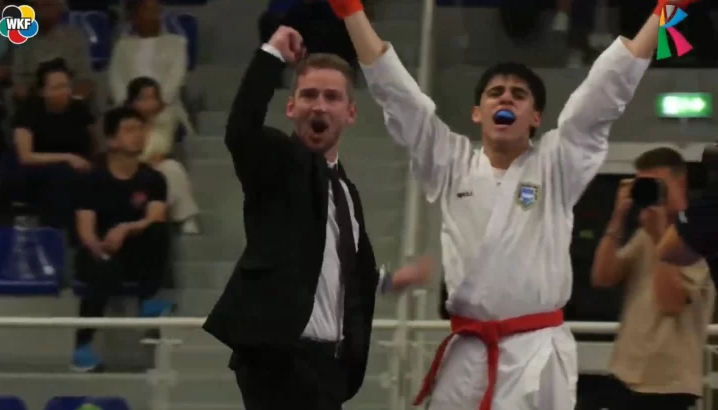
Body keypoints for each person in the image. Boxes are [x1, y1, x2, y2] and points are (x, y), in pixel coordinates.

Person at [327, 0, 693, 408]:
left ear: (535, 118)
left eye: (519, 95)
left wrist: (664, 14)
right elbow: (400, 97)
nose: (506, 99)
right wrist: (352, 13)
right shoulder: (450, 161)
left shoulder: (556, 165)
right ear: (477, 113)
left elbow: (604, 95)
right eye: (495, 93)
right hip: (467, 355)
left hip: (534, 357)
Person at [202, 26, 433, 410]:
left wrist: (391, 281)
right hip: (279, 362)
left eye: (332, 97)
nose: (320, 106)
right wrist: (272, 53)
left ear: (351, 112)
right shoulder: (276, 162)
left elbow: (337, 265)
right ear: (291, 107)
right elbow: (241, 130)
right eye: (309, 95)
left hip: (331, 367)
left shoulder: (346, 192)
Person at [591, 148, 714, 410]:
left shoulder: (697, 235)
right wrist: (618, 216)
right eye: (642, 185)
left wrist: (660, 234)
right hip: (625, 376)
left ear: (680, 183)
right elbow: (603, 277)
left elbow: (671, 302)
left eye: (655, 185)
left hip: (667, 386)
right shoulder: (645, 235)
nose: (649, 193)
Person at [72, 106, 172, 373]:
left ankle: (149, 299)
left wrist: (126, 228)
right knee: (100, 267)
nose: (138, 135)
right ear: (112, 140)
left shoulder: (154, 178)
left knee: (159, 231)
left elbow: (155, 216)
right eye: (129, 130)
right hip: (97, 252)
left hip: (133, 252)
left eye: (141, 129)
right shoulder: (92, 177)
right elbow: (85, 228)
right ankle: (82, 347)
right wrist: (100, 248)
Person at [0, 58, 95, 227]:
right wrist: (67, 158)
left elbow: (94, 144)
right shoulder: (28, 110)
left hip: (75, 170)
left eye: (66, 85)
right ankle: (56, 233)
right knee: (62, 175)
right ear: (42, 91)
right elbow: (25, 157)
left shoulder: (80, 109)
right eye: (57, 87)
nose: (65, 91)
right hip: (33, 170)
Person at [109, 0, 194, 138]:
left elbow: (176, 77)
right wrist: (130, 104)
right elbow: (116, 78)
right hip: (129, 107)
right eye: (148, 10)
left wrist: (157, 103)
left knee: (163, 125)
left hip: (164, 107)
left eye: (156, 10)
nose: (154, 15)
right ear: (134, 16)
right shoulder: (122, 46)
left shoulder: (177, 44)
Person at [126, 76, 200, 234]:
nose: (148, 103)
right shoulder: (123, 124)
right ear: (131, 101)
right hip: (129, 171)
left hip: (155, 169)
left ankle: (185, 218)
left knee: (172, 168)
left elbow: (162, 150)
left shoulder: (166, 122)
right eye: (142, 99)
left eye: (153, 98)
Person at [12, 0, 94, 102]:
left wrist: (61, 94)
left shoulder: (76, 38)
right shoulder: (23, 40)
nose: (46, 5)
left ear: (60, 6)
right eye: (42, 3)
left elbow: (85, 81)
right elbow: (18, 86)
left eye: (50, 3)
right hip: (33, 103)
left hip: (69, 103)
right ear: (34, 7)